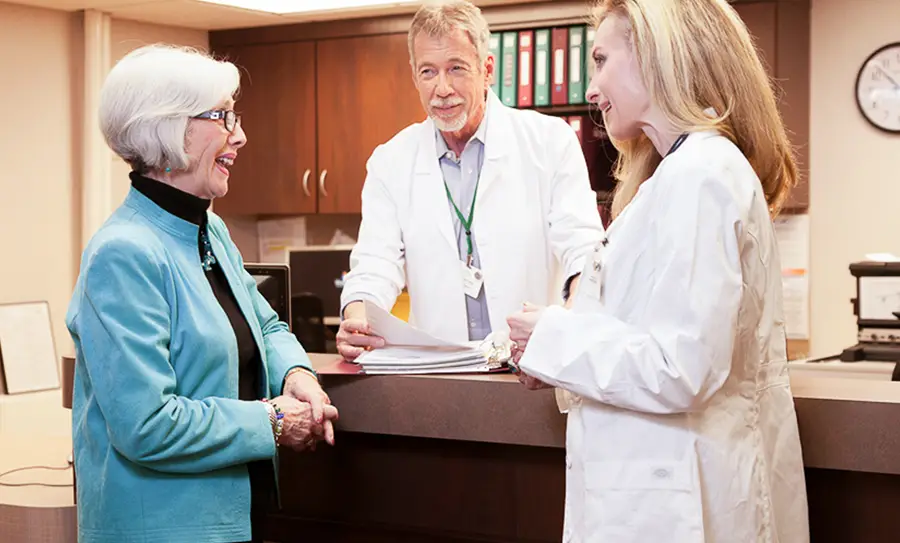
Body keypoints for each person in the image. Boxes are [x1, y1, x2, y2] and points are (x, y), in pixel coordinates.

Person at [506, 0, 810, 541]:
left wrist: (554, 338)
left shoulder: (704, 176)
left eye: (600, 60)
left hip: (682, 507)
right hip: (658, 496)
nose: (592, 88)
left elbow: (681, 367)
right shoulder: (676, 177)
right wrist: (552, 356)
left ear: (655, 55)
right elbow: (638, 336)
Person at [65, 44, 339, 543]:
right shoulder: (123, 253)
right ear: (168, 128)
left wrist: (295, 372)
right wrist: (271, 420)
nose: (241, 135)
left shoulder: (209, 230)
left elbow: (268, 324)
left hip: (231, 517)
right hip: (163, 528)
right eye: (223, 117)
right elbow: (146, 424)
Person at [337, 0, 605, 359]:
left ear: (487, 69)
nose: (442, 88)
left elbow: (583, 249)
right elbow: (374, 264)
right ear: (414, 75)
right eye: (428, 72)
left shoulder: (550, 141)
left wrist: (572, 317)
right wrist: (357, 317)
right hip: (439, 370)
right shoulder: (391, 161)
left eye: (457, 68)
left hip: (534, 363)